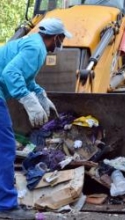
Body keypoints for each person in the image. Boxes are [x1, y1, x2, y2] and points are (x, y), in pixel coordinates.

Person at [0, 17, 72, 219]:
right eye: (62, 39)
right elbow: (11, 73)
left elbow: (27, 78)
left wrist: (41, 95)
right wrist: (27, 100)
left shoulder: (33, 43)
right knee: (5, 147)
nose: (61, 44)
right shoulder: (36, 48)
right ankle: (6, 205)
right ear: (56, 37)